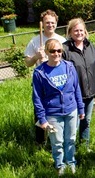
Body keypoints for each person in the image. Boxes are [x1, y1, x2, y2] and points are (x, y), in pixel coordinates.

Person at [32, 39, 85, 176]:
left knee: (71, 139)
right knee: (57, 142)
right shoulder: (39, 72)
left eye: (59, 50)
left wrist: (80, 108)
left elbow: (76, 88)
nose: (56, 53)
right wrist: (42, 119)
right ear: (47, 52)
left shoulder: (69, 67)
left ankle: (71, 162)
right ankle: (59, 165)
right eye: (53, 51)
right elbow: (37, 98)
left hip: (71, 110)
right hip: (53, 113)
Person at [62, 18, 95, 151]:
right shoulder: (65, 49)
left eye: (81, 30)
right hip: (72, 95)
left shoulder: (91, 47)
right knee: (72, 124)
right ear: (70, 32)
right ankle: (69, 149)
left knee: (86, 121)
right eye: (75, 30)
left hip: (89, 92)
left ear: (85, 32)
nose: (79, 33)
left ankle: (84, 146)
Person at [24, 9, 67, 146]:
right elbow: (27, 63)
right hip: (41, 83)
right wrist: (37, 56)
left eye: (52, 22)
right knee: (40, 112)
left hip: (58, 83)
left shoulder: (62, 40)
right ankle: (40, 142)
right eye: (47, 22)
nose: (50, 25)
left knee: (57, 112)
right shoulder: (35, 41)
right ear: (42, 23)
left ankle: (57, 140)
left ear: (56, 23)